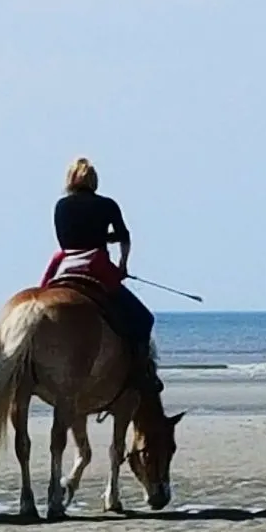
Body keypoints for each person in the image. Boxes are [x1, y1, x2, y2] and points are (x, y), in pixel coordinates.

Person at [39, 157, 163, 393]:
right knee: (144, 318)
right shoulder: (107, 205)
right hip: (95, 265)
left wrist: (98, 237)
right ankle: (140, 372)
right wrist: (122, 265)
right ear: (93, 180)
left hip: (64, 263)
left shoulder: (60, 206)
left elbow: (68, 239)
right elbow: (124, 237)